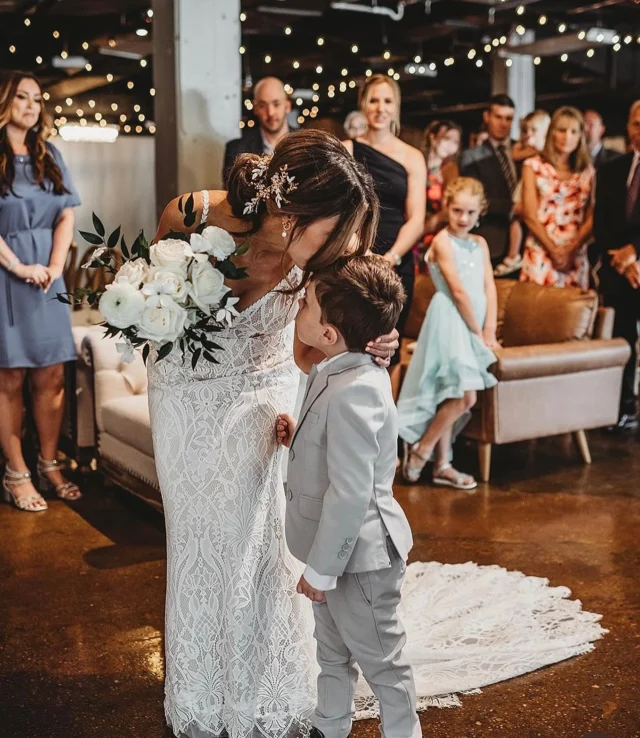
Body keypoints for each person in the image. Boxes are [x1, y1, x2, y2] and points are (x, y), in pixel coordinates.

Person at [147, 129, 401, 738]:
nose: (340, 248)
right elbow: (149, 300)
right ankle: (203, 684)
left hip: (263, 389)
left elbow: (312, 354)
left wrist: (368, 349)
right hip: (182, 391)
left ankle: (259, 683)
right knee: (199, 536)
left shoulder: (321, 267)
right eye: (333, 230)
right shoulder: (193, 214)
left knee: (256, 540)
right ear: (293, 209)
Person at [276, 256, 420, 738]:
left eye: (308, 304)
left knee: (383, 660)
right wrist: (298, 435)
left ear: (330, 333)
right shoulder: (336, 368)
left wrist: (321, 569)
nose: (300, 306)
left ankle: (403, 732)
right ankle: (329, 726)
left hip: (358, 558)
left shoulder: (358, 388)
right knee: (331, 651)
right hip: (333, 551)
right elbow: (334, 442)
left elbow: (352, 490)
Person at [0, 71, 82, 511]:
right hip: (5, 275)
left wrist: (53, 266)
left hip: (48, 277)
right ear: (5, 102)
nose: (31, 105)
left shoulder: (50, 154)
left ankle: (49, 463)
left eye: (36, 99)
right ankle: (16, 472)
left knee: (51, 375)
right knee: (9, 377)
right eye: (21, 97)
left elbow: (66, 214)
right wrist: (18, 265)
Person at [398, 177, 498, 489]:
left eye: (470, 212)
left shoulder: (479, 244)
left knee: (452, 391)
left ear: (480, 211)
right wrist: (476, 331)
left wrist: (489, 328)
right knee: (465, 396)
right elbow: (457, 290)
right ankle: (422, 450)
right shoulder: (442, 241)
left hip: (473, 323)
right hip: (451, 319)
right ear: (446, 208)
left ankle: (442, 464)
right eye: (457, 210)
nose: (463, 218)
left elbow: (488, 286)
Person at [343, 74, 427, 396]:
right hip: (355, 256)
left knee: (388, 350)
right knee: (354, 345)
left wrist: (391, 258)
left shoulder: (411, 156)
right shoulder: (347, 149)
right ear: (364, 105)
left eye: (387, 101)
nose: (380, 108)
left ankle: (385, 432)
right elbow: (341, 210)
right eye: (374, 100)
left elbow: (417, 219)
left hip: (397, 260)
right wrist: (359, 252)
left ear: (396, 107)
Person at [594, 99, 640, 431]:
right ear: (628, 125)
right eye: (637, 123)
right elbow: (600, 223)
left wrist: (635, 252)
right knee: (621, 342)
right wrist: (621, 259)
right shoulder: (611, 168)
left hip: (635, 263)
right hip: (617, 272)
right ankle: (623, 409)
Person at [520, 106, 594, 290]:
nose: (567, 136)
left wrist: (570, 249)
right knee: (535, 312)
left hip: (574, 252)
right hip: (541, 248)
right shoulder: (533, 166)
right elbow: (529, 215)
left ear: (580, 136)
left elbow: (591, 216)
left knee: (574, 314)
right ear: (552, 132)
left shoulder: (588, 172)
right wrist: (553, 251)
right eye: (561, 130)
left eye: (573, 131)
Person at [460, 94, 517, 264]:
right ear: (487, 117)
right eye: (498, 117)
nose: (503, 124)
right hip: (491, 239)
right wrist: (514, 208)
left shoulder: (521, 151)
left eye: (508, 118)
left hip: (524, 242)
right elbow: (475, 199)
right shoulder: (472, 156)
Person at [494, 109, 551, 278]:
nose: (528, 134)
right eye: (526, 130)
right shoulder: (526, 146)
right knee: (516, 218)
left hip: (537, 183)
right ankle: (513, 255)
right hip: (525, 183)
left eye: (533, 130)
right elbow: (515, 154)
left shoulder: (541, 147)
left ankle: (513, 255)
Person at [223, 77, 292, 185]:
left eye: (276, 104)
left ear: (287, 106)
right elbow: (230, 195)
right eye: (262, 105)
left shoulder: (307, 143)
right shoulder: (236, 149)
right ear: (255, 109)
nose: (270, 112)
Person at [417, 119, 462, 263]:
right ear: (433, 137)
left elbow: (448, 209)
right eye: (447, 138)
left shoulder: (450, 170)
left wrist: (421, 230)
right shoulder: (417, 163)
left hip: (435, 234)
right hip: (412, 229)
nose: (451, 146)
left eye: (455, 142)